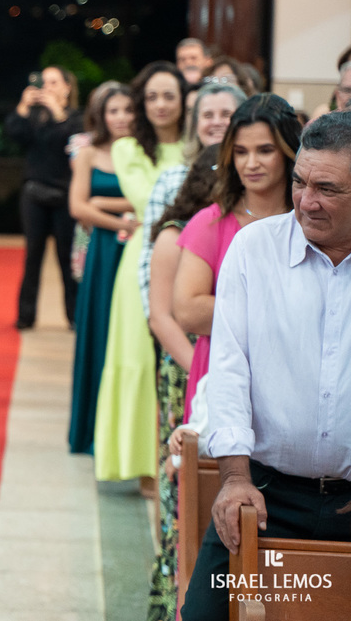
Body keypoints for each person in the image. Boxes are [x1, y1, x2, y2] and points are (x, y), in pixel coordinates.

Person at [179, 109, 351, 620]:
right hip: (265, 495)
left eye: (327, 188)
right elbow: (230, 369)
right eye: (299, 182)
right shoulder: (254, 250)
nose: (306, 201)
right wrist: (234, 476)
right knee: (203, 615)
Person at [173, 94, 301, 427]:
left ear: (289, 152)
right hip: (222, 375)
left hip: (297, 377)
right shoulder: (211, 222)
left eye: (265, 150)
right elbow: (188, 310)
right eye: (241, 152)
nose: (251, 163)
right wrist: (284, 311)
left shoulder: (309, 222)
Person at [93, 61, 185, 485]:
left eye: (169, 95)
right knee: (136, 359)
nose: (161, 104)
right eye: (152, 97)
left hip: (193, 258)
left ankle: (181, 458)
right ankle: (141, 463)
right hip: (142, 259)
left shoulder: (196, 145)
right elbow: (150, 198)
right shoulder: (128, 148)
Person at [144, 145, 221, 621]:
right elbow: (162, 316)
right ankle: (173, 597)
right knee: (181, 482)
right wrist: (202, 368)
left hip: (216, 363)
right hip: (187, 367)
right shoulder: (176, 235)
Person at [67, 82, 136, 455]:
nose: (122, 117)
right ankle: (91, 431)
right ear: (102, 115)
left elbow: (153, 194)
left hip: (139, 248)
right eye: (114, 110)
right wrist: (123, 222)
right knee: (99, 330)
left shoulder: (143, 151)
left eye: (128, 109)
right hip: (105, 250)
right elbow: (78, 207)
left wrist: (101, 201)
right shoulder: (89, 153)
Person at [138, 83, 247, 317]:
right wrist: (158, 320)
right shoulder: (172, 179)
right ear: (195, 123)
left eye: (226, 114)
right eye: (207, 115)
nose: (217, 122)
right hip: (179, 317)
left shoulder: (253, 179)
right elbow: (149, 254)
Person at [5, 65, 84, 330]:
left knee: (66, 258)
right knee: (33, 256)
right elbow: (13, 133)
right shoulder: (35, 117)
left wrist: (57, 111)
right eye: (44, 82)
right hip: (34, 194)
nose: (47, 88)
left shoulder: (76, 118)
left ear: (67, 87)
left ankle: (75, 316)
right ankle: (25, 316)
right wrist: (23, 106)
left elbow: (71, 141)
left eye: (53, 82)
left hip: (64, 196)